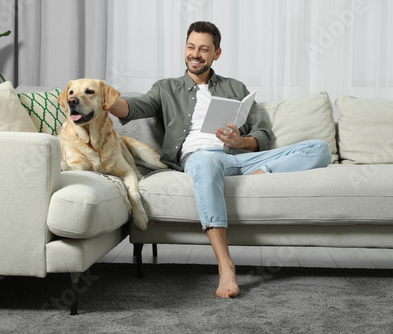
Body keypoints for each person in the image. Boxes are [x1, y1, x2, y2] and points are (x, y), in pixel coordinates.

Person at [110, 21, 332, 298]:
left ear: (217, 53)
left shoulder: (235, 87)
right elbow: (132, 108)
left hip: (240, 157)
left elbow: (263, 133)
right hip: (200, 158)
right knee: (205, 163)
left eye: (204, 49)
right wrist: (105, 99)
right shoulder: (166, 88)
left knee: (319, 149)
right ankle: (225, 265)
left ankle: (259, 172)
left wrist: (241, 142)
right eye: (191, 47)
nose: (195, 53)